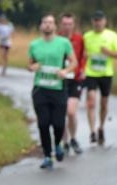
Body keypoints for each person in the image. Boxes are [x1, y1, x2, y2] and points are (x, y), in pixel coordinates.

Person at [28, 14, 77, 170]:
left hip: (58, 89)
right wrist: (32, 67)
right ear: (41, 26)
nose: (48, 25)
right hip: (40, 89)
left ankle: (58, 144)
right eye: (45, 22)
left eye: (50, 22)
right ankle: (48, 156)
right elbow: (30, 65)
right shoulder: (34, 44)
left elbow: (74, 62)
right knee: (43, 124)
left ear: (55, 26)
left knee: (58, 124)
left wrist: (65, 71)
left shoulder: (64, 43)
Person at [83, 10, 117, 145]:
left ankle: (101, 127)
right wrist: (84, 55)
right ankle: (92, 131)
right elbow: (81, 54)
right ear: (92, 22)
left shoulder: (112, 36)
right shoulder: (87, 36)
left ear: (105, 21)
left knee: (104, 103)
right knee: (91, 101)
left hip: (106, 73)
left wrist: (109, 52)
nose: (97, 23)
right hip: (91, 73)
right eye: (95, 20)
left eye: (100, 20)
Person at [59, 12, 86, 155]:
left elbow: (83, 56)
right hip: (59, 80)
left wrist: (83, 69)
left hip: (75, 79)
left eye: (70, 24)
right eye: (65, 24)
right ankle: (65, 142)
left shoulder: (79, 39)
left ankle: (74, 138)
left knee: (71, 111)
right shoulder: (55, 38)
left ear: (73, 25)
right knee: (61, 112)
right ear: (60, 24)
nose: (67, 27)